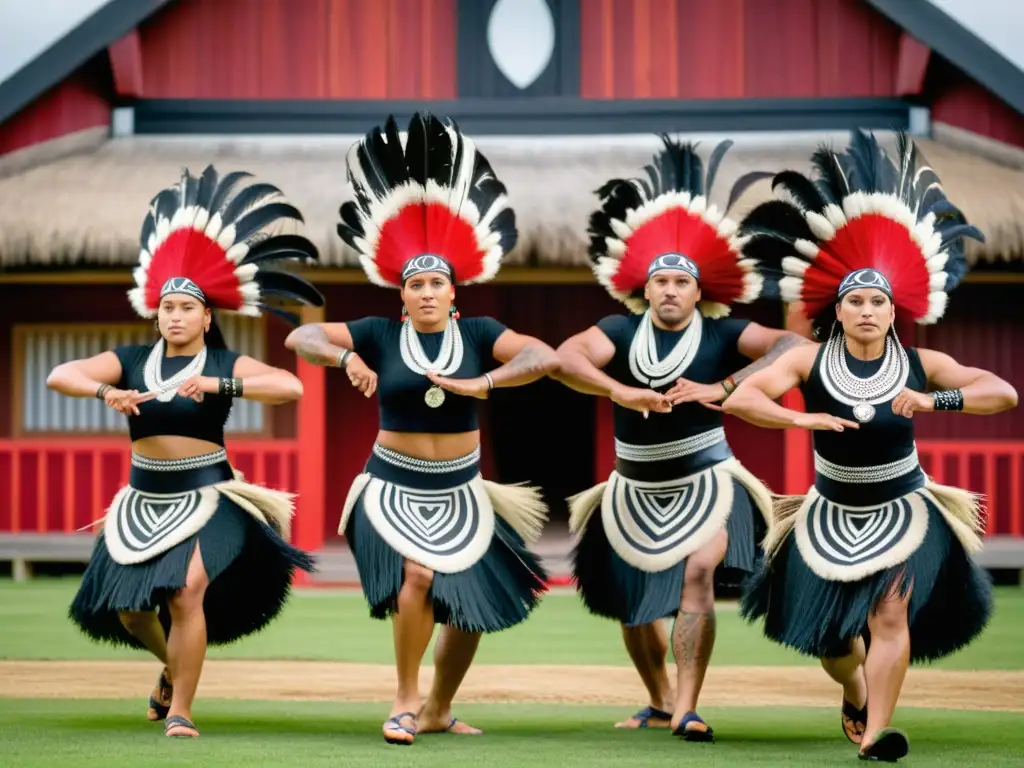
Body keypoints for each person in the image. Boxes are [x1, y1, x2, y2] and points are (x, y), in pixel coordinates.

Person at [723, 130, 1017, 762]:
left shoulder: (920, 361)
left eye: (877, 302)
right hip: (829, 509)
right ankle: (855, 691)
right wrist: (802, 425)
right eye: (855, 300)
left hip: (908, 509)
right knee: (832, 639)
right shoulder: (807, 360)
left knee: (890, 614)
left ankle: (877, 734)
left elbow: (1002, 393)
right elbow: (742, 399)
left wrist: (936, 401)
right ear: (839, 306)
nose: (865, 310)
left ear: (892, 311)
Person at [284, 112, 559, 746]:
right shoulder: (379, 335)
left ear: (453, 294)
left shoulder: (481, 333)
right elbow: (302, 335)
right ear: (401, 296)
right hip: (393, 485)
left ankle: (439, 705)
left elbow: (542, 356)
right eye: (416, 285)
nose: (427, 293)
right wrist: (345, 356)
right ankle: (405, 699)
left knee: (473, 607)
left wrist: (482, 384)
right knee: (418, 577)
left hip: (463, 488)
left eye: (437, 284)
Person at [48, 166, 325, 739]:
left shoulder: (224, 364)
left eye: (185, 308)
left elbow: (290, 386)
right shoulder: (128, 359)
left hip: (210, 494)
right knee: (130, 609)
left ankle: (181, 712)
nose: (174, 315)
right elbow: (59, 374)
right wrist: (107, 391)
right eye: (166, 308)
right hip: (144, 494)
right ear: (157, 314)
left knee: (185, 589)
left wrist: (223, 387)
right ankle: (171, 669)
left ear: (206, 316)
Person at [554, 135, 808, 740]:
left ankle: (690, 705)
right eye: (660, 283)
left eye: (681, 284)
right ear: (646, 290)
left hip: (708, 480)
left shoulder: (723, 334)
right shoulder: (618, 330)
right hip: (633, 485)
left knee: (698, 571)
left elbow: (793, 345)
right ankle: (661, 698)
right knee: (630, 597)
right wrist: (621, 391)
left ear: (699, 292)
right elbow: (567, 358)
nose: (669, 291)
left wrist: (724, 385)